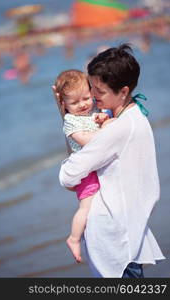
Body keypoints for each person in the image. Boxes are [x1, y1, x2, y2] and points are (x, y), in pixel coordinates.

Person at [58, 44, 165, 278]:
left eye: (99, 91)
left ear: (123, 91)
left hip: (113, 234)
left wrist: (65, 117)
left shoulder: (116, 130)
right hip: (128, 229)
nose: (94, 97)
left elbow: (67, 177)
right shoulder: (135, 117)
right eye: (92, 88)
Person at [54, 70, 114, 263]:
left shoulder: (92, 112)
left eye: (86, 98)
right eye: (74, 102)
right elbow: (86, 141)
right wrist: (105, 129)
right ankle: (73, 238)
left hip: (95, 167)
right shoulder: (70, 121)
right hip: (85, 172)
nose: (82, 105)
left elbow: (98, 121)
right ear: (64, 105)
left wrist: (103, 119)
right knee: (86, 207)